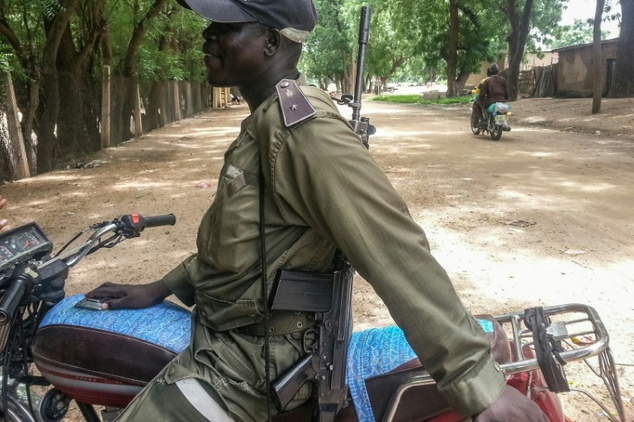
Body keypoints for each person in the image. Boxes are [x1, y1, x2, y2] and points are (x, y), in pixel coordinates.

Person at [86, 1, 548, 421]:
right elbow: (244, 247)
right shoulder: (266, 121)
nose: (207, 35)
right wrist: (162, 286)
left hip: (248, 364)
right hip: (224, 335)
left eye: (224, 26)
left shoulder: (303, 133)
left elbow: (392, 247)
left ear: (270, 41)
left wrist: (475, 382)